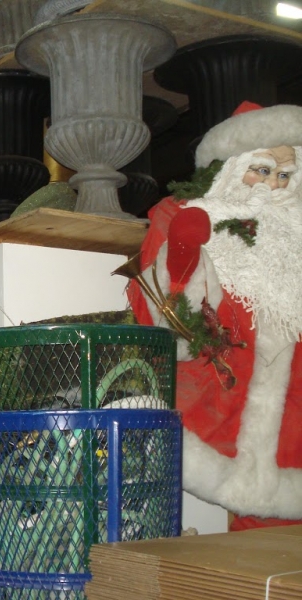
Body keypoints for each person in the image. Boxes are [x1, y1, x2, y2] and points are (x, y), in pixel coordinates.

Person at [127, 101, 302, 530]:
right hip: (224, 394)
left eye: (284, 175)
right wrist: (183, 256)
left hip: (293, 405)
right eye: (262, 170)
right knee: (259, 541)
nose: (272, 185)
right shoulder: (190, 214)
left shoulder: (292, 231)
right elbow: (173, 325)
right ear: (230, 168)